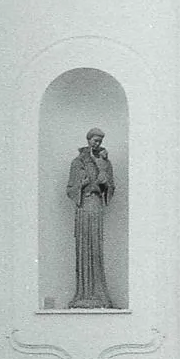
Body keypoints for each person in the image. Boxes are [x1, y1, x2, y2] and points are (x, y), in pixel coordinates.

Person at [66, 126, 117, 309]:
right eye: (95, 140)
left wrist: (105, 180)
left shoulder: (104, 162)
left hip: (95, 205)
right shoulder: (78, 161)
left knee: (95, 244)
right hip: (84, 204)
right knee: (84, 245)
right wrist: (83, 184)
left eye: (100, 141)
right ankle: (84, 292)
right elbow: (71, 187)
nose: (97, 144)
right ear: (88, 140)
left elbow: (110, 187)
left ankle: (97, 291)